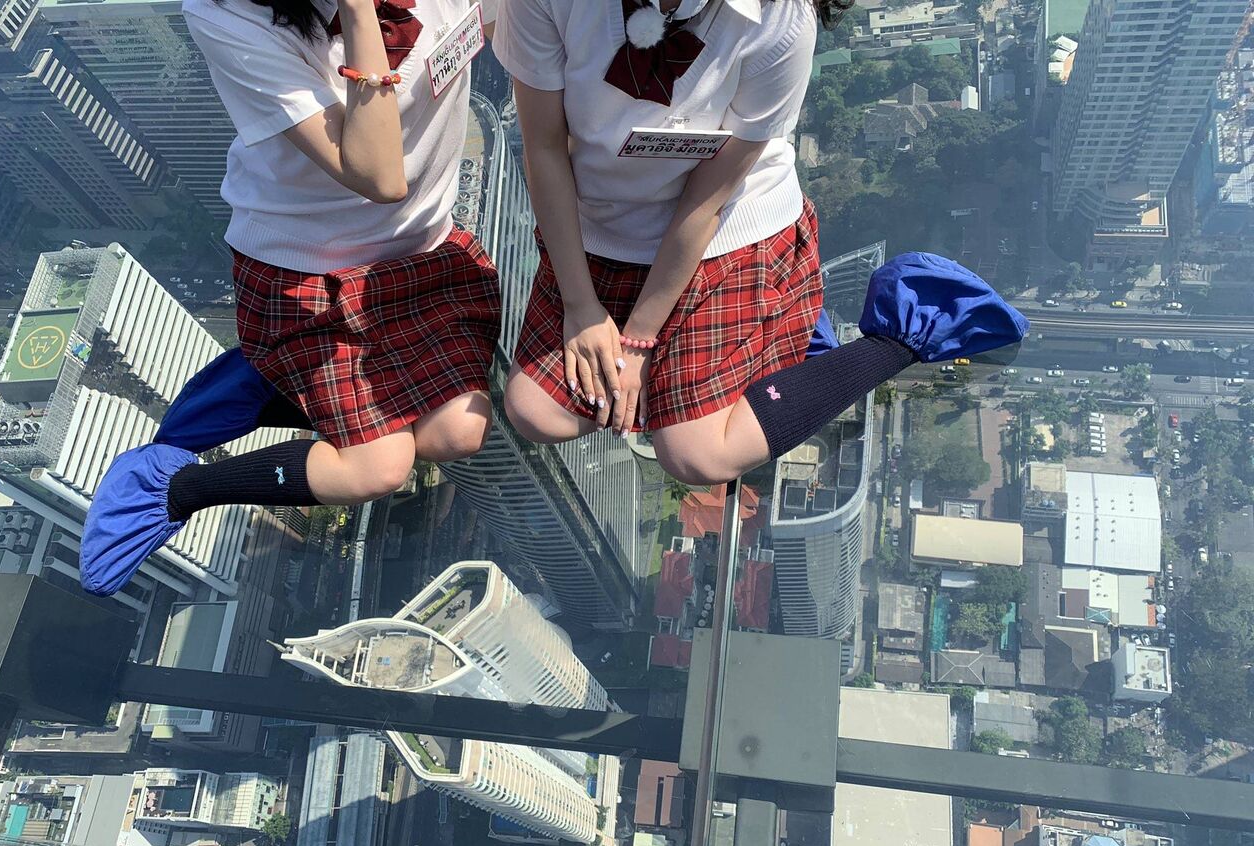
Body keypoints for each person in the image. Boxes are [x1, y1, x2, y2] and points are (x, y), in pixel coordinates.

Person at [493, 0, 1027, 486]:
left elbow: (708, 199)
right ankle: (767, 345)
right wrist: (582, 308)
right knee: (535, 412)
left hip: (727, 227)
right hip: (608, 223)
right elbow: (543, 147)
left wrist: (638, 342)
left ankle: (896, 333)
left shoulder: (781, 19)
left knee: (696, 455)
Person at [80, 0, 501, 597]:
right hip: (310, 273)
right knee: (378, 468)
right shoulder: (228, 13)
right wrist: (359, 9)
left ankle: (276, 381)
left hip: (420, 254)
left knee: (457, 434)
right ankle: (178, 488)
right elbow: (380, 175)